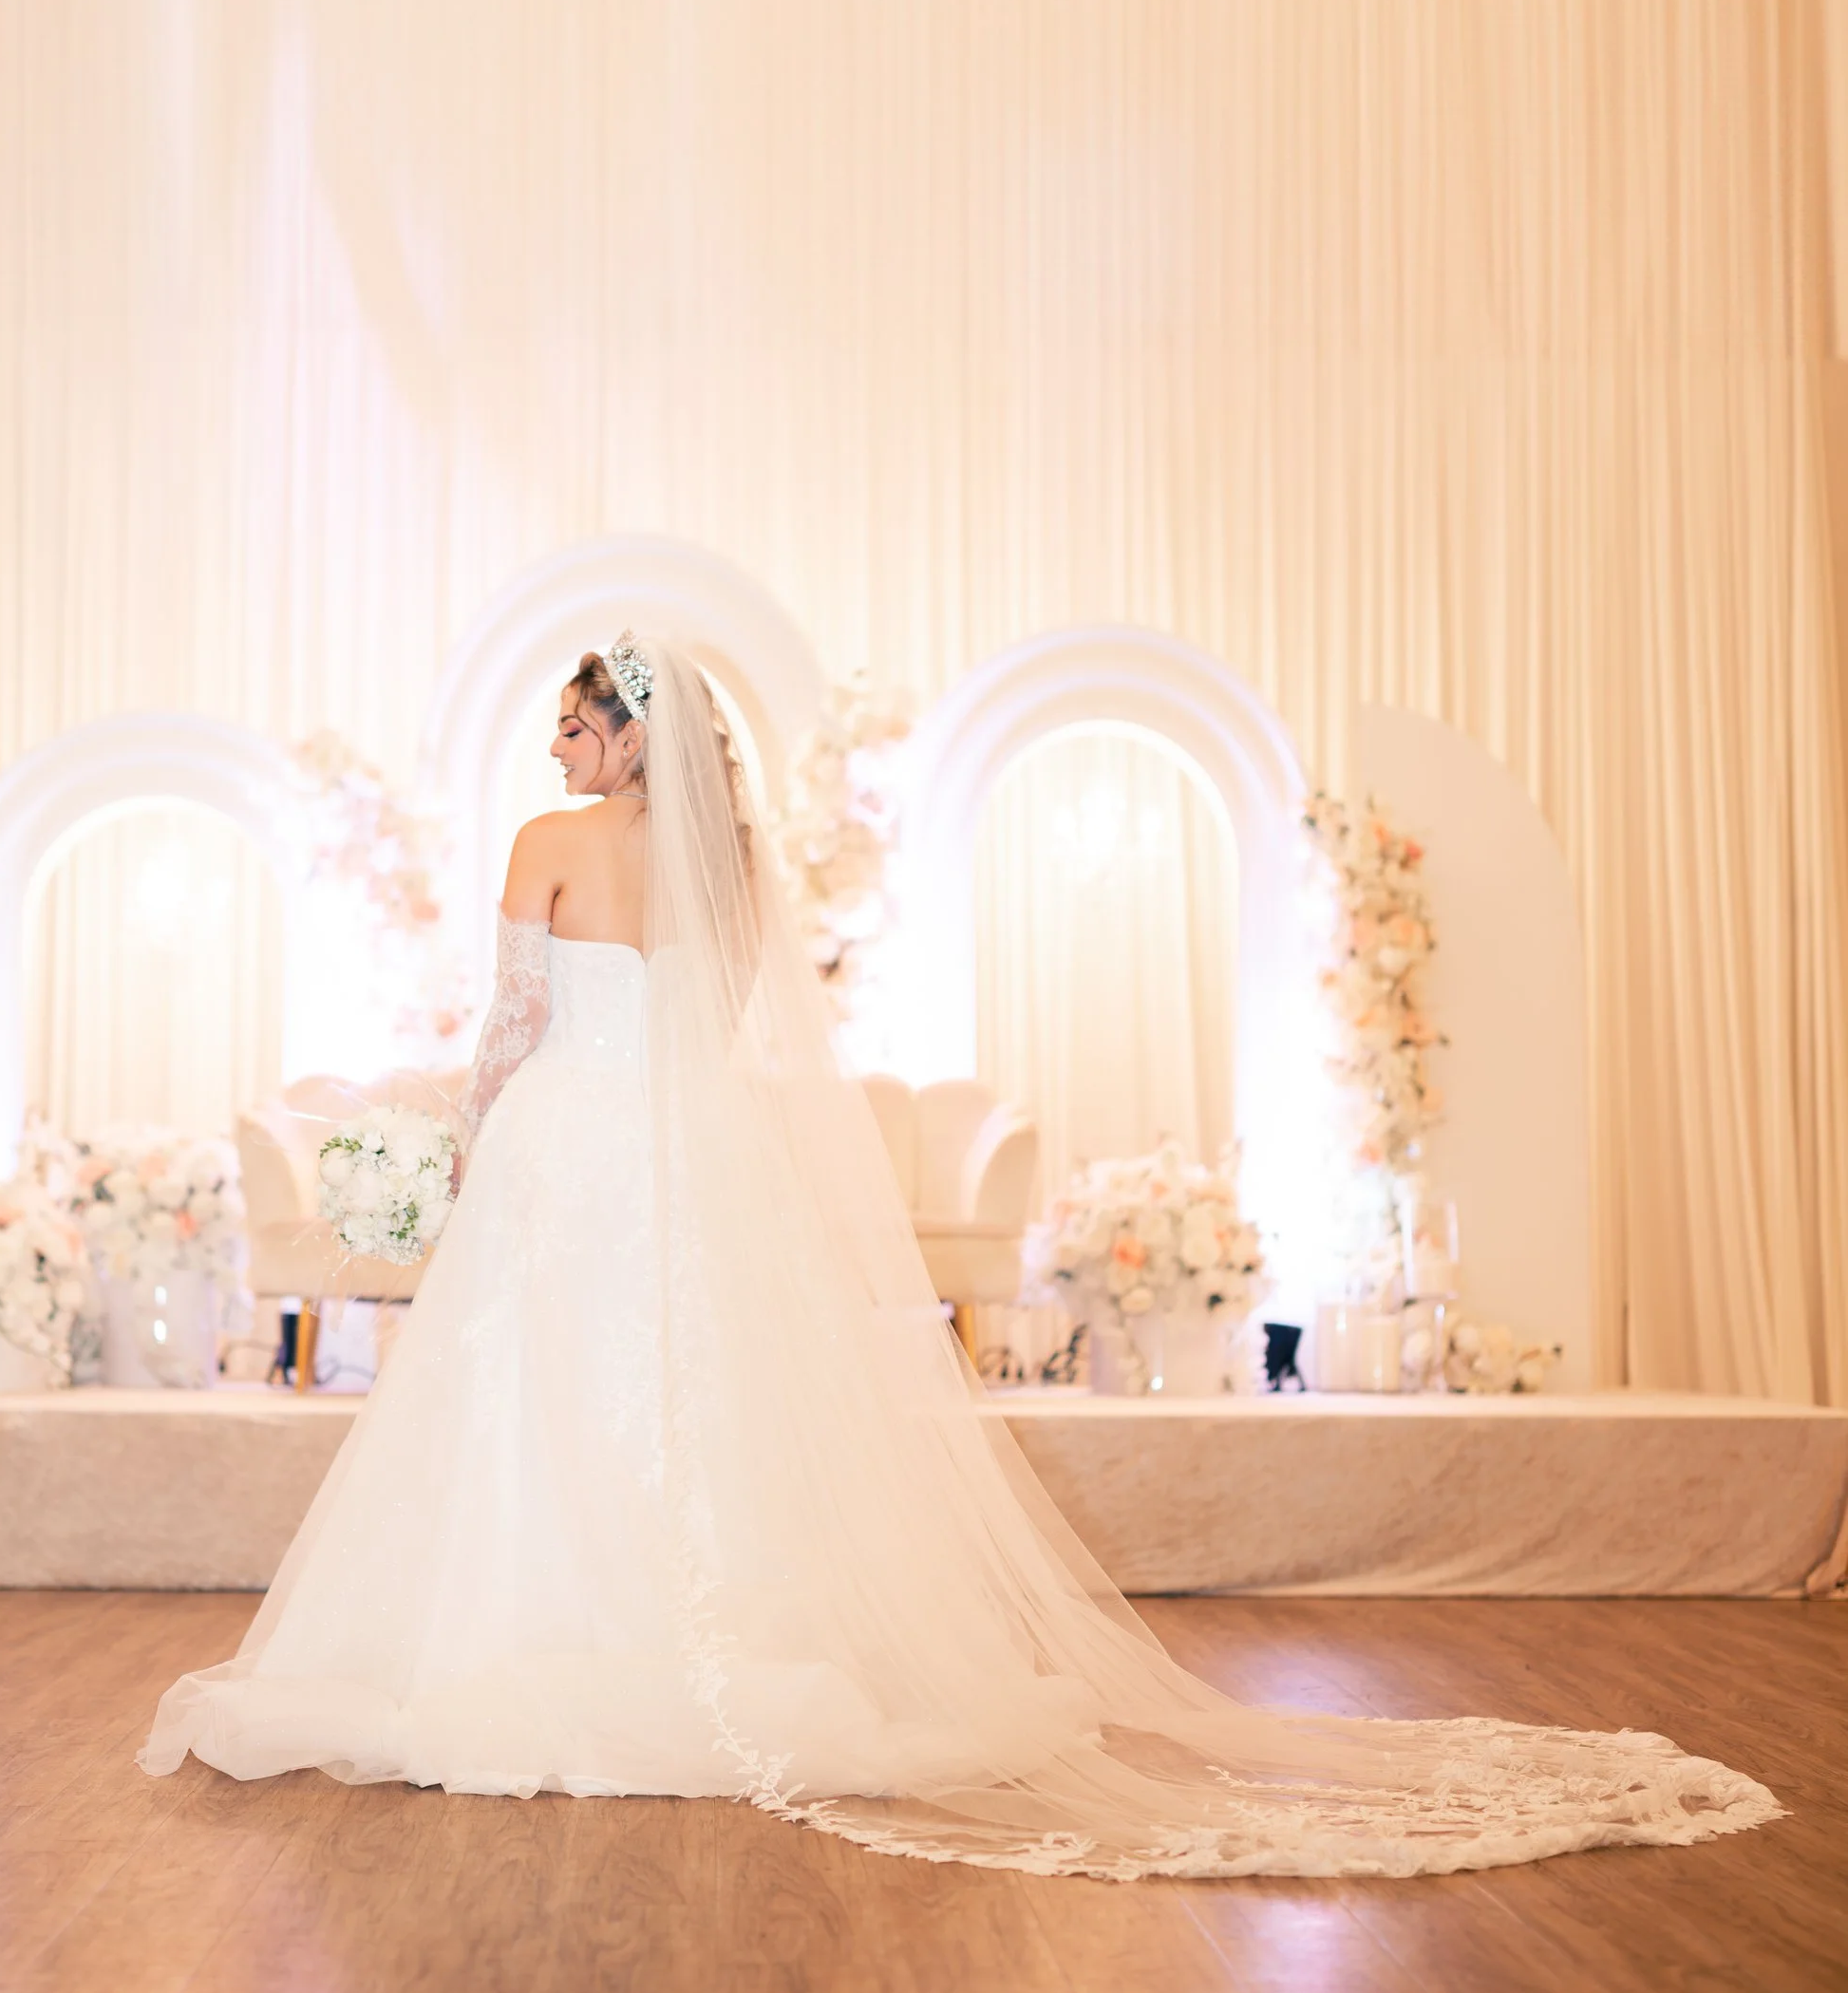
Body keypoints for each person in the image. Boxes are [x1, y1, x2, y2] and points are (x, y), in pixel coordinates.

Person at [143, 634, 1780, 1878]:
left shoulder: (541, 846)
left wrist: (456, 1140)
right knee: (695, 1398)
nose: (557, 743)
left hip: (566, 1140)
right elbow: (715, 1026)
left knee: (538, 1397)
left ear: (631, 729)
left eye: (576, 720)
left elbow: (505, 1027)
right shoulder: (727, 865)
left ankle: (527, 1642)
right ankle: (702, 1640)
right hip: (685, 1148)